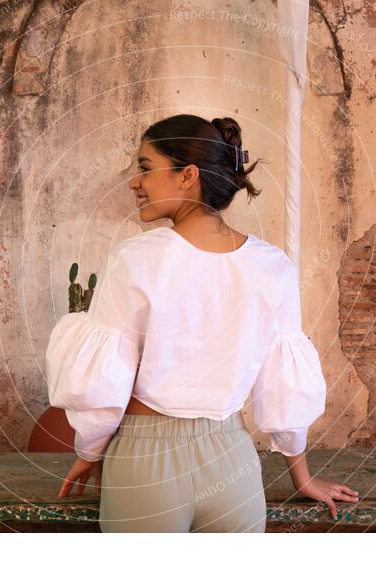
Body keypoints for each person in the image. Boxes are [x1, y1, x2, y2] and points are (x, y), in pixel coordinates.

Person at [45, 114, 360, 532]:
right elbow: (284, 384)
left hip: (146, 469)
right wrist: (301, 476)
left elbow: (106, 383)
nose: (134, 183)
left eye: (145, 168)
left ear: (187, 176)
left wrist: (90, 451)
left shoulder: (134, 259)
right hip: (233, 463)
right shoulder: (272, 266)